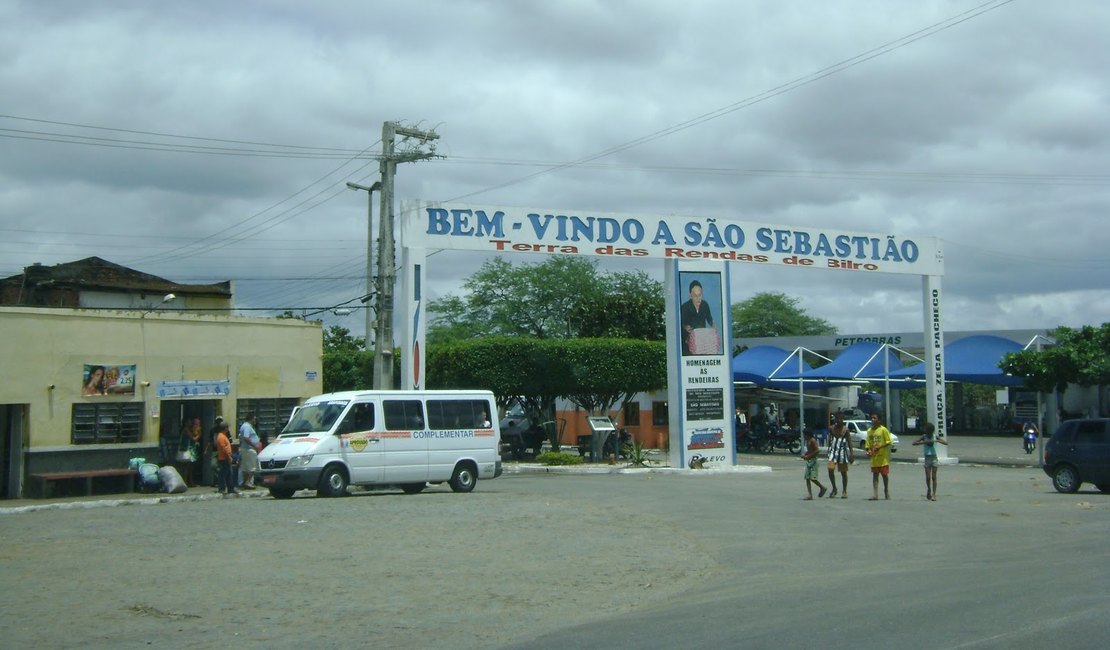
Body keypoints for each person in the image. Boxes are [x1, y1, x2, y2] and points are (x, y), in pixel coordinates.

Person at [680, 280, 717, 356]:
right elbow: (681, 323)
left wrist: (713, 325)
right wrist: (685, 327)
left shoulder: (705, 305)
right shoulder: (684, 307)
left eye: (700, 295)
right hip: (688, 342)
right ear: (690, 295)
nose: (698, 298)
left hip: (702, 341)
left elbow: (710, 319)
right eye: (695, 295)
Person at [913, 422, 948, 501]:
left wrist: (937, 441)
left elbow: (946, 443)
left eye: (930, 432)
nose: (929, 434)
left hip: (934, 457)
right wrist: (924, 442)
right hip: (927, 458)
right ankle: (929, 489)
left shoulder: (935, 436)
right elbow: (914, 443)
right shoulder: (924, 436)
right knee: (928, 477)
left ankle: (934, 494)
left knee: (934, 477)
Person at [826, 412, 854, 498]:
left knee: (843, 472)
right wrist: (828, 449)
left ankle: (844, 491)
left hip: (842, 453)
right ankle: (834, 488)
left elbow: (849, 442)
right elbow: (830, 439)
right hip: (833, 452)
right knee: (830, 469)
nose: (839, 420)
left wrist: (851, 454)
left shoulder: (846, 430)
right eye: (838, 419)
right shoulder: (832, 428)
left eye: (841, 419)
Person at [866, 413, 894, 500]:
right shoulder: (869, 431)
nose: (872, 420)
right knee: (875, 476)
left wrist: (880, 447)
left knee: (884, 475)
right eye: (872, 418)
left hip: (883, 459)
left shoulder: (883, 430)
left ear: (879, 420)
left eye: (874, 418)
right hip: (874, 458)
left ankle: (886, 491)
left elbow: (889, 442)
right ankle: (875, 494)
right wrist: (869, 451)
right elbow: (868, 445)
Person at [801, 429, 827, 500]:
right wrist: (805, 455)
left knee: (813, 478)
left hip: (813, 461)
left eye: (804, 435)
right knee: (807, 478)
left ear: (808, 434)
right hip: (809, 461)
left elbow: (817, 450)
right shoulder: (807, 441)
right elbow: (810, 450)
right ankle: (810, 494)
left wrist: (808, 456)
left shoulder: (812, 440)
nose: (804, 436)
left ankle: (822, 487)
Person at [238, 414, 262, 490]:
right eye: (254, 419)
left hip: (245, 449)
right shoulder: (247, 427)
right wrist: (254, 445)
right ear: (250, 419)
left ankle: (245, 483)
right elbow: (246, 437)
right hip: (249, 449)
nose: (255, 421)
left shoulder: (244, 426)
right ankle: (247, 482)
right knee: (252, 467)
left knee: (245, 467)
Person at [214, 421, 236, 496]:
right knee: (223, 474)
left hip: (225, 458)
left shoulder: (223, 436)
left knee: (229, 474)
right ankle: (222, 488)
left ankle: (231, 488)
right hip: (224, 458)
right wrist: (229, 456)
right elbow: (223, 448)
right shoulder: (221, 437)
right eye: (227, 428)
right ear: (225, 428)